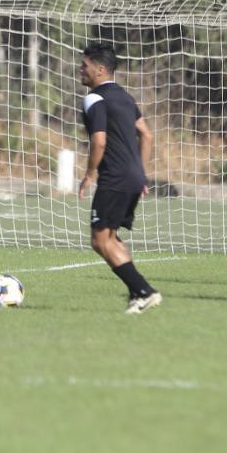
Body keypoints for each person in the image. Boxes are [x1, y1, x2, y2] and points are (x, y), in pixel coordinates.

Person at [77, 43, 162, 314]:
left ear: (100, 70)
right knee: (111, 238)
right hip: (134, 177)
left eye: (85, 66)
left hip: (114, 177)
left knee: (100, 240)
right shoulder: (125, 97)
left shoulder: (94, 98)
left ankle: (145, 290)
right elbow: (146, 135)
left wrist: (89, 174)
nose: (80, 70)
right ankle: (137, 295)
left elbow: (99, 141)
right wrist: (141, 173)